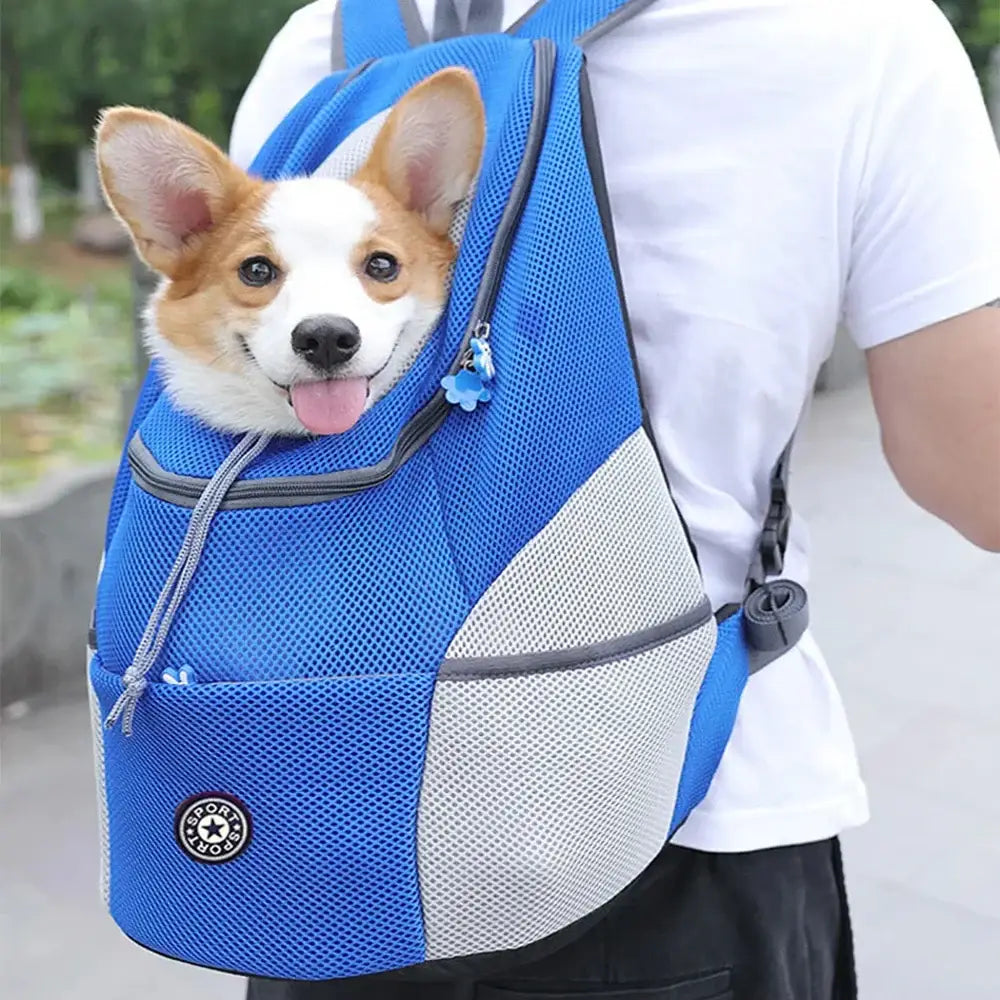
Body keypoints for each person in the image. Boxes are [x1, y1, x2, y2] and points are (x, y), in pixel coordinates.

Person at [229, 1, 1000, 997]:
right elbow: (969, 473)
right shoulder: (855, 31)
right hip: (685, 808)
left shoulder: (322, 47)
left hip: (332, 822)